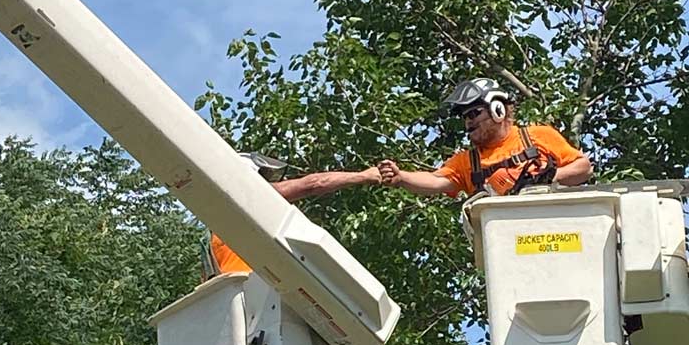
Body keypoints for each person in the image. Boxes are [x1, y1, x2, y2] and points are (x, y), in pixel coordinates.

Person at [378, 78, 592, 197]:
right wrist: (402, 178)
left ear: (498, 110)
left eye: (474, 113)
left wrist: (541, 181)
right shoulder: (467, 162)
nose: (468, 122)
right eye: (465, 117)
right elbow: (435, 180)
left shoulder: (537, 136)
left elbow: (584, 168)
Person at [204, 164, 382, 277]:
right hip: (254, 294)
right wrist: (363, 176)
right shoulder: (249, 199)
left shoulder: (219, 226)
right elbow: (314, 184)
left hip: (239, 307)